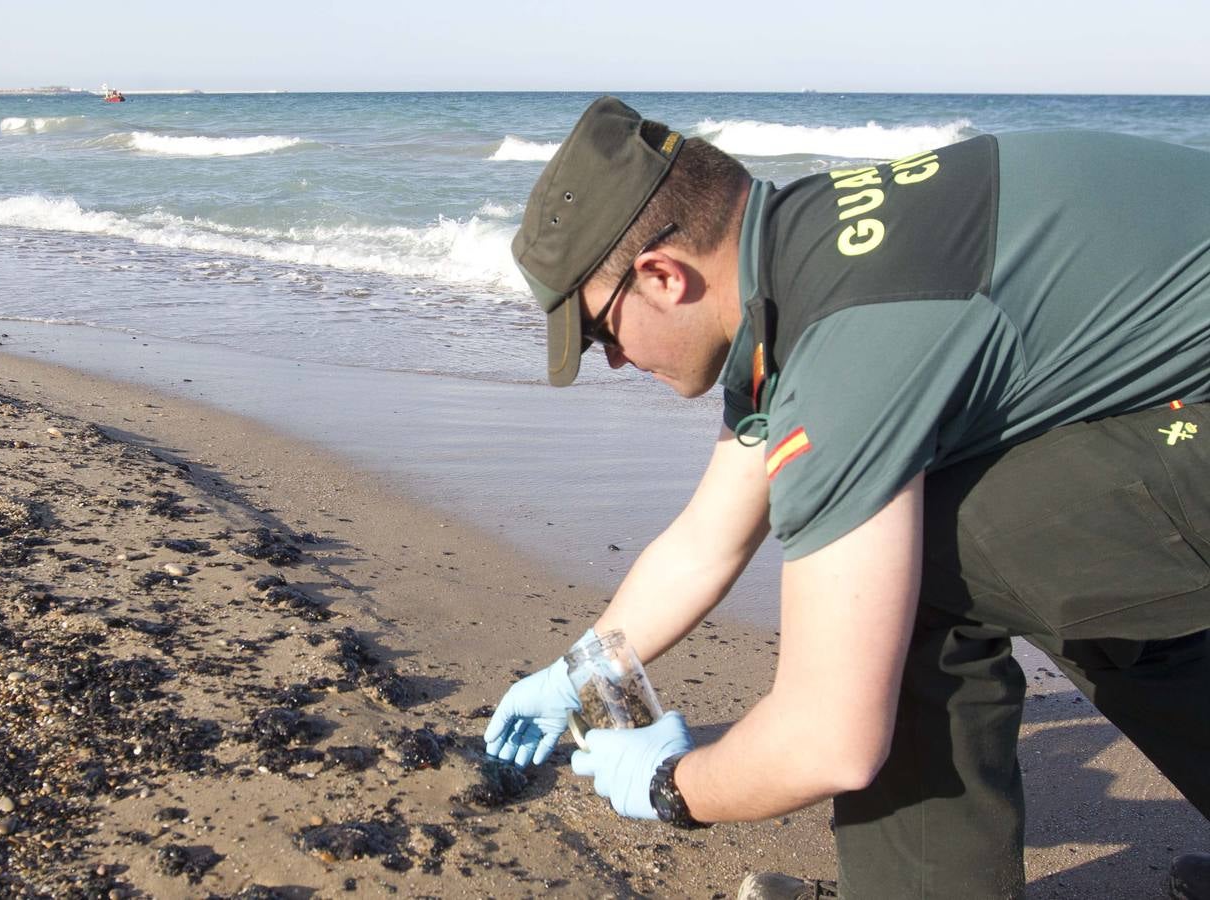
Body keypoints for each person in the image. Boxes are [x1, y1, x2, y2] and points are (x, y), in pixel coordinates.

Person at [484, 96, 1210, 899]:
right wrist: (574, 673)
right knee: (1030, 529)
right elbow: (708, 540)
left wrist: (673, 785)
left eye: (599, 334)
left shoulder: (844, 347)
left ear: (662, 276)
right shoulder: (802, 262)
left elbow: (831, 738)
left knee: (933, 553)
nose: (611, 363)